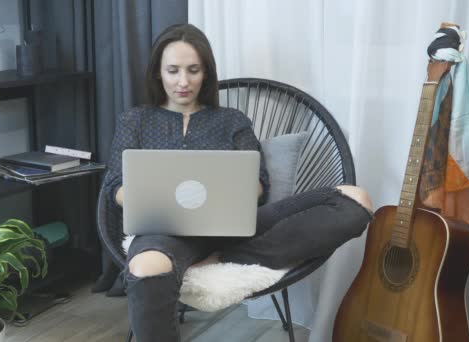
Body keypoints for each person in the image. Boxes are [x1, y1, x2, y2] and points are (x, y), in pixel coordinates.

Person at [101, 23, 374, 342]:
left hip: (235, 225)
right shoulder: (135, 120)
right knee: (146, 266)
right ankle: (226, 255)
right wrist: (149, 197)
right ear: (157, 74)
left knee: (355, 201)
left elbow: (258, 185)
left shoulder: (232, 120)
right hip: (166, 231)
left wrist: (232, 189)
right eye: (173, 71)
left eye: (193, 70)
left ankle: (228, 257)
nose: (183, 81)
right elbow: (115, 187)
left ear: (206, 73)